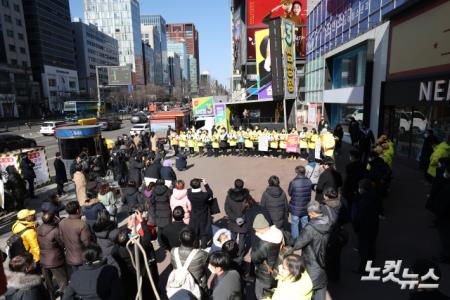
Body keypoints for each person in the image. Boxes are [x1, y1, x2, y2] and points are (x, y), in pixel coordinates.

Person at [112, 209, 158, 300]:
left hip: (128, 279)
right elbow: (147, 237)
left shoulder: (115, 252)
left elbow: (119, 242)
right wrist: (141, 221)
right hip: (143, 276)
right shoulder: (138, 249)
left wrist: (128, 228)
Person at [293, 201, 330, 300]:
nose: (308, 215)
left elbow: (297, 244)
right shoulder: (328, 221)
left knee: (310, 291)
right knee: (321, 289)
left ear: (313, 213)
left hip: (311, 264)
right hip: (324, 262)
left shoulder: (310, 229)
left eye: (309, 213)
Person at [251, 214, 283, 299]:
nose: (255, 231)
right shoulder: (279, 233)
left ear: (262, 228)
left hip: (265, 274)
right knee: (272, 292)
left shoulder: (264, 244)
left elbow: (255, 258)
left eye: (256, 229)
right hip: (278, 270)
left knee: (260, 294)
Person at [37, 212, 67, 299]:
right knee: (63, 281)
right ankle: (64, 297)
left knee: (48, 282)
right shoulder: (55, 231)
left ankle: (51, 296)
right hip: (55, 259)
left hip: (43, 258)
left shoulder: (38, 229)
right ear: (53, 219)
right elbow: (62, 243)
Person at [352, 179, 379, 273]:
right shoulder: (374, 196)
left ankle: (363, 269)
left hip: (364, 228)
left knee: (364, 249)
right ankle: (371, 266)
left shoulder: (363, 202)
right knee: (371, 247)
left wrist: (356, 227)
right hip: (374, 226)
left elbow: (358, 218)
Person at [59, 201, 92, 273]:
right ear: (77, 210)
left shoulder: (62, 223)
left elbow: (61, 239)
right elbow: (87, 243)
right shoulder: (82, 224)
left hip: (70, 257)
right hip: (83, 258)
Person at [188, 178, 214, 248]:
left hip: (194, 214)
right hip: (204, 214)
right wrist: (205, 184)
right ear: (200, 185)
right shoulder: (204, 195)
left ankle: (196, 245)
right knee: (204, 230)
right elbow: (210, 193)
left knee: (195, 230)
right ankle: (204, 245)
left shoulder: (189, 193)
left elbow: (189, 189)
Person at [225, 179, 250, 250]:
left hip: (233, 222)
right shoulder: (246, 196)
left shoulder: (229, 196)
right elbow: (249, 209)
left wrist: (235, 218)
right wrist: (242, 218)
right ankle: (240, 255)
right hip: (244, 222)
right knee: (242, 239)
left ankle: (232, 252)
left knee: (233, 238)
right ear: (243, 186)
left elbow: (227, 209)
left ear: (234, 185)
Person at [288, 166, 313, 239]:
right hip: (305, 206)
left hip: (295, 207)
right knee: (305, 222)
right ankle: (305, 239)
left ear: (297, 172)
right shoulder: (309, 181)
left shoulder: (293, 182)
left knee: (295, 223)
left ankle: (296, 241)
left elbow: (290, 193)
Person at [342, 151, 366, 218]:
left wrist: (343, 189)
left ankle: (350, 216)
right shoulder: (363, 166)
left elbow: (347, 179)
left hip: (350, 188)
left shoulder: (349, 167)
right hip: (359, 187)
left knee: (350, 203)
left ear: (353, 157)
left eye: (350, 156)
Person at [435, 163, 450, 263]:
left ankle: (446, 256)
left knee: (446, 236)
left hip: (446, 216)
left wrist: (438, 214)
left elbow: (444, 203)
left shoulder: (448, 187)